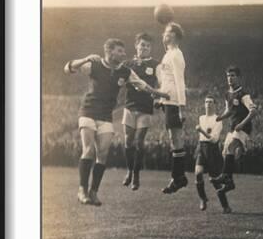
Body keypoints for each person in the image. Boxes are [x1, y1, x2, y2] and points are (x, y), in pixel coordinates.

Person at [64, 38, 168, 206]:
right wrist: (86, 58)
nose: (123, 54)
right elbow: (68, 68)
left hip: (106, 116)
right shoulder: (95, 65)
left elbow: (142, 85)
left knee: (103, 154)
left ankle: (94, 192)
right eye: (120, 51)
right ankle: (82, 190)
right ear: (110, 51)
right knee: (89, 150)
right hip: (88, 112)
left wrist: (160, 94)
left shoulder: (125, 72)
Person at [121, 33, 160, 191]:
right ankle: (129, 171)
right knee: (127, 141)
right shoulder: (128, 64)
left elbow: (161, 83)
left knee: (138, 141)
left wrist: (158, 98)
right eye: (142, 44)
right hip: (129, 106)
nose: (144, 47)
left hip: (145, 109)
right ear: (136, 45)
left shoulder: (155, 64)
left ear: (150, 48)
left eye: (147, 46)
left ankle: (136, 175)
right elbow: (120, 79)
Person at [213, 66, 257, 196]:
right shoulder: (228, 94)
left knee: (232, 147)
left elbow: (253, 111)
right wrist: (220, 117)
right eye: (228, 76)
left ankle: (225, 176)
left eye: (232, 75)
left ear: (238, 77)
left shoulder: (243, 94)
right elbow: (229, 111)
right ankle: (229, 182)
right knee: (225, 151)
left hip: (243, 127)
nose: (230, 78)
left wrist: (242, 123)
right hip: (233, 127)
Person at [156, 22, 189, 194]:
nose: (164, 34)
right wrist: (161, 99)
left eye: (167, 32)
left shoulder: (176, 55)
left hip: (175, 102)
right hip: (167, 101)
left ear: (174, 35)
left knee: (175, 138)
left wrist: (181, 107)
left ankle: (178, 178)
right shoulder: (168, 54)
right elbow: (167, 81)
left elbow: (179, 81)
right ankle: (179, 177)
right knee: (172, 138)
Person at [194, 96, 231, 213]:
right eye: (206, 102)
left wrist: (201, 131)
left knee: (215, 180)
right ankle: (202, 198)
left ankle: (225, 206)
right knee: (198, 173)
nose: (208, 104)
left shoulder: (218, 119)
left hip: (212, 150)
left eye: (210, 102)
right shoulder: (201, 118)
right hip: (202, 147)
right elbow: (203, 138)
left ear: (215, 105)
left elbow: (214, 139)